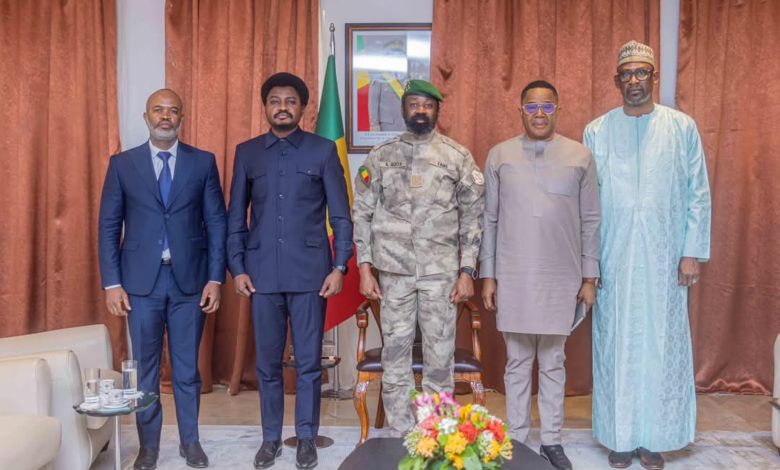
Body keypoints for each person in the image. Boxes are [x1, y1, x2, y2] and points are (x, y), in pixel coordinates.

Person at [583, 41, 711, 470]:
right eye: (627, 74)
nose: (634, 80)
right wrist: (590, 261)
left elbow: (698, 193)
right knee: (615, 346)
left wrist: (691, 251)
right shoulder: (597, 131)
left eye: (642, 73)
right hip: (613, 256)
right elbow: (587, 202)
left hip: (665, 258)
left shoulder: (681, 127)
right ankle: (620, 437)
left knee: (661, 345)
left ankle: (653, 438)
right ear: (616, 80)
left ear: (654, 77)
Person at [226, 72, 353, 470]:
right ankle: (270, 440)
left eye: (290, 101)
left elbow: (341, 216)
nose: (282, 107)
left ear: (303, 108)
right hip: (261, 275)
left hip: (311, 276)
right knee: (267, 364)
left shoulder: (322, 151)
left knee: (309, 363)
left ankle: (306, 439)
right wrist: (237, 267)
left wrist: (339, 266)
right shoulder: (247, 153)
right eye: (275, 101)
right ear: (265, 107)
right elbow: (235, 218)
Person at [98, 88, 226, 470]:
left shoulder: (203, 162)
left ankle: (191, 443)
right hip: (140, 285)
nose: (165, 116)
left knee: (187, 369)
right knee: (146, 371)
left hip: (190, 283)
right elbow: (109, 227)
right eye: (158, 110)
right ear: (146, 117)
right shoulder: (123, 164)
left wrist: (215, 279)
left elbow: (216, 223)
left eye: (173, 111)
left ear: (181, 118)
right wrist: (112, 283)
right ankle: (148, 448)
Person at [352, 79, 485, 435]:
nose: (420, 111)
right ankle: (399, 436)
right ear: (403, 110)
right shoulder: (381, 156)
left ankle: (436, 434)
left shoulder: (457, 157)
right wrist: (365, 268)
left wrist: (467, 271)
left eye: (427, 105)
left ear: (437, 110)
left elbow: (473, 218)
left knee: (439, 358)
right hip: (393, 273)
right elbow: (361, 212)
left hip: (441, 275)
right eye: (414, 105)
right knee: (394, 354)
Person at [479, 80, 600, 470]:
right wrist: (488, 275)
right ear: (520, 111)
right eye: (532, 106)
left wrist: (589, 278)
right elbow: (489, 220)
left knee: (552, 361)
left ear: (558, 110)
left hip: (561, 277)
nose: (539, 114)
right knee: (516, 361)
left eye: (547, 106)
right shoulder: (500, 155)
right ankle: (516, 439)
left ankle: (551, 440)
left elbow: (591, 220)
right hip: (513, 274)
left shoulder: (580, 156)